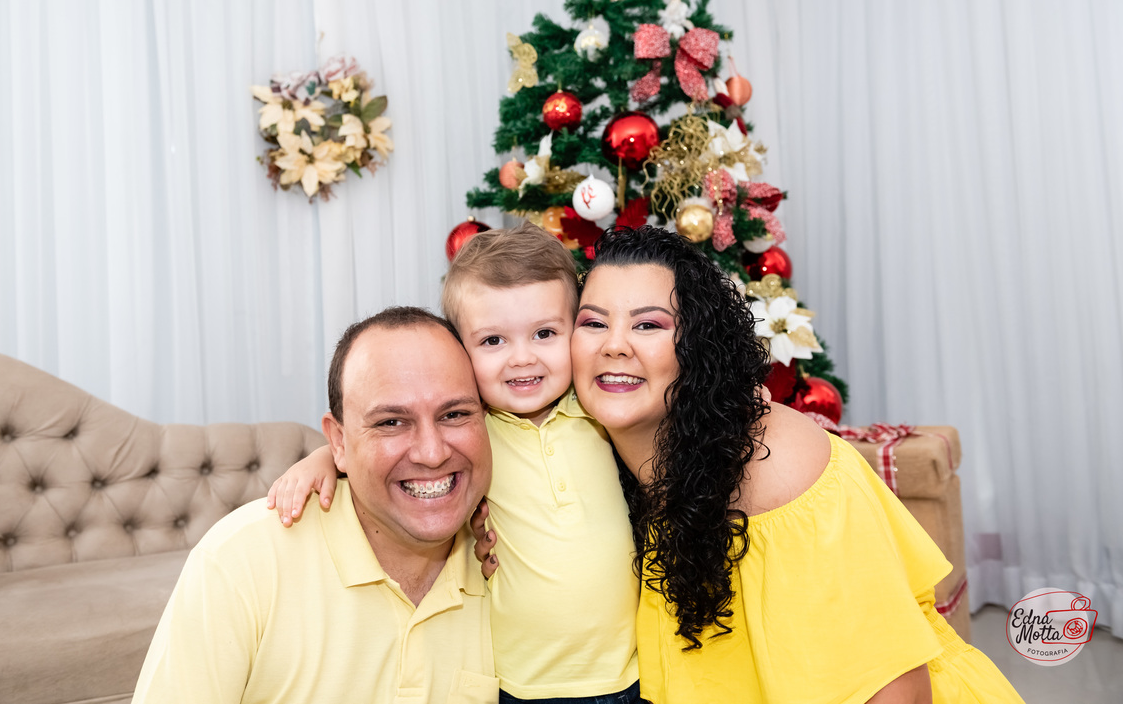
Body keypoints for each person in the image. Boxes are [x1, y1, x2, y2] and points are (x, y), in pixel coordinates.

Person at [568, 226, 1023, 703]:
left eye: (648, 325)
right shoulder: (593, 450)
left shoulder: (778, 470)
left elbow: (898, 693)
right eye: (594, 323)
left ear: (696, 347)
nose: (614, 345)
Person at [269, 224, 640, 703]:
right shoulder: (471, 431)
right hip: (519, 684)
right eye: (493, 341)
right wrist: (322, 458)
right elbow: (374, 445)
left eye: (545, 333)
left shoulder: (599, 410)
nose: (521, 358)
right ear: (461, 352)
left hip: (628, 673)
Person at [133, 306, 497, 704]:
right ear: (338, 442)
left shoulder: (515, 557)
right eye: (391, 422)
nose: (431, 453)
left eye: (455, 414)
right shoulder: (240, 561)